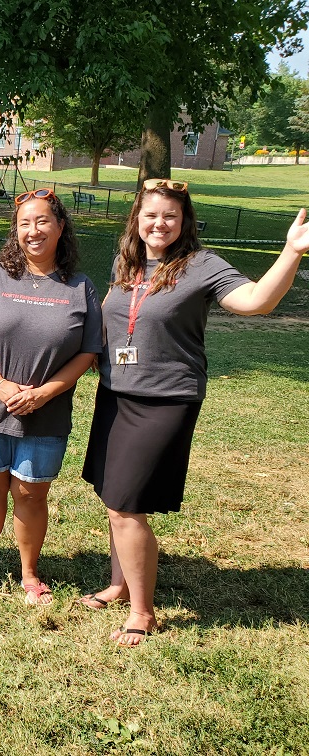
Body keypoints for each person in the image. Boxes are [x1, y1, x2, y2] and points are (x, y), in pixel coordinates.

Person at [81, 179, 309, 645]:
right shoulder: (128, 262)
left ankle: (142, 612)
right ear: (137, 220)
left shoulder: (202, 265)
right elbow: (109, 311)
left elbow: (257, 302)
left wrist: (292, 252)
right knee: (113, 497)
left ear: (184, 221)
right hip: (115, 393)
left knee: (127, 504)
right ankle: (119, 585)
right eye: (150, 215)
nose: (159, 223)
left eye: (170, 215)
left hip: (165, 400)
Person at [0, 188, 102, 603]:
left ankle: (29, 574)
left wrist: (46, 393)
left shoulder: (80, 287)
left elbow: (89, 352)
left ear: (60, 227)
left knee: (31, 493)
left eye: (42, 222)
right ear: (15, 231)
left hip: (45, 413)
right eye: (24, 224)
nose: (33, 231)